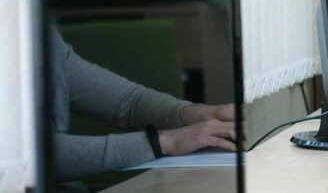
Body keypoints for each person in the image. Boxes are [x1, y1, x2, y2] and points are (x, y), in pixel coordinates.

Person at [50, 28, 237, 182]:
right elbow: (34, 158)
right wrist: (163, 142)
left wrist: (198, 113)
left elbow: (128, 101)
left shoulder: (43, 36)